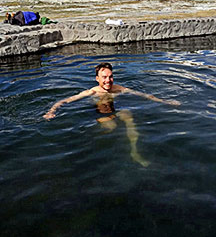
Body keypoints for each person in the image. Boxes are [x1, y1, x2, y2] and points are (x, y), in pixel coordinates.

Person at [43, 62, 180, 166]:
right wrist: (51, 111)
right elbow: (65, 101)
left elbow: (144, 95)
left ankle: (134, 150)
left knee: (128, 116)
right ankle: (93, 143)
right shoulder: (92, 92)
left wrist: (165, 101)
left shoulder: (118, 89)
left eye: (110, 77)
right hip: (100, 113)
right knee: (112, 127)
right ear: (97, 79)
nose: (108, 80)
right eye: (104, 77)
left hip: (116, 110)